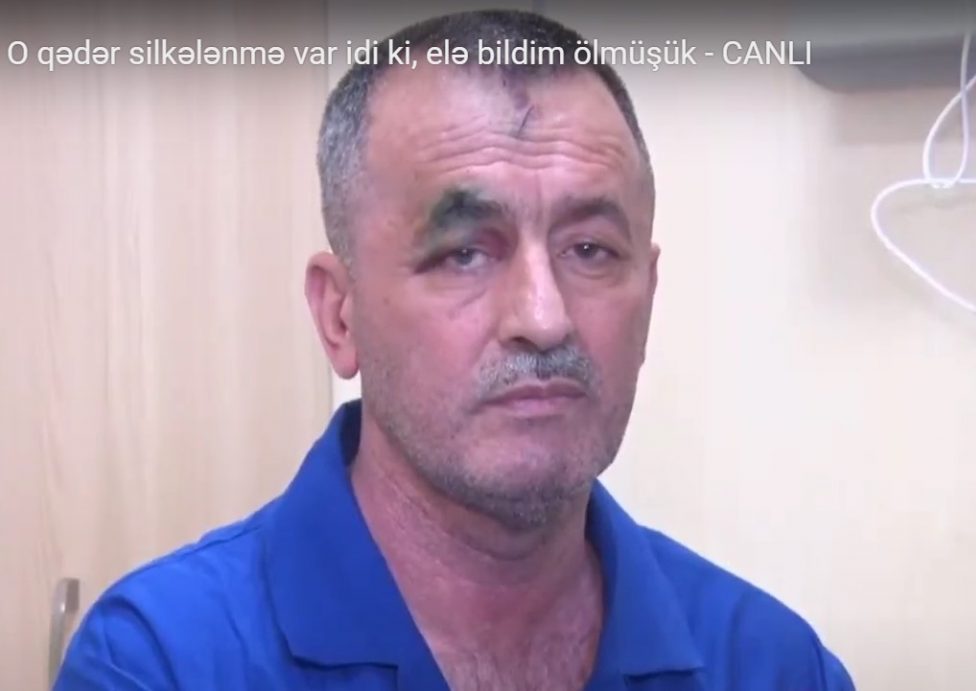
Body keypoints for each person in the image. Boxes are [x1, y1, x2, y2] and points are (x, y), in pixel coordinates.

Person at [56, 10, 855, 691]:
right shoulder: (164, 659)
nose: (543, 318)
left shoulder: (769, 663)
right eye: (464, 253)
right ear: (339, 315)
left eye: (589, 250)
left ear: (647, 292)